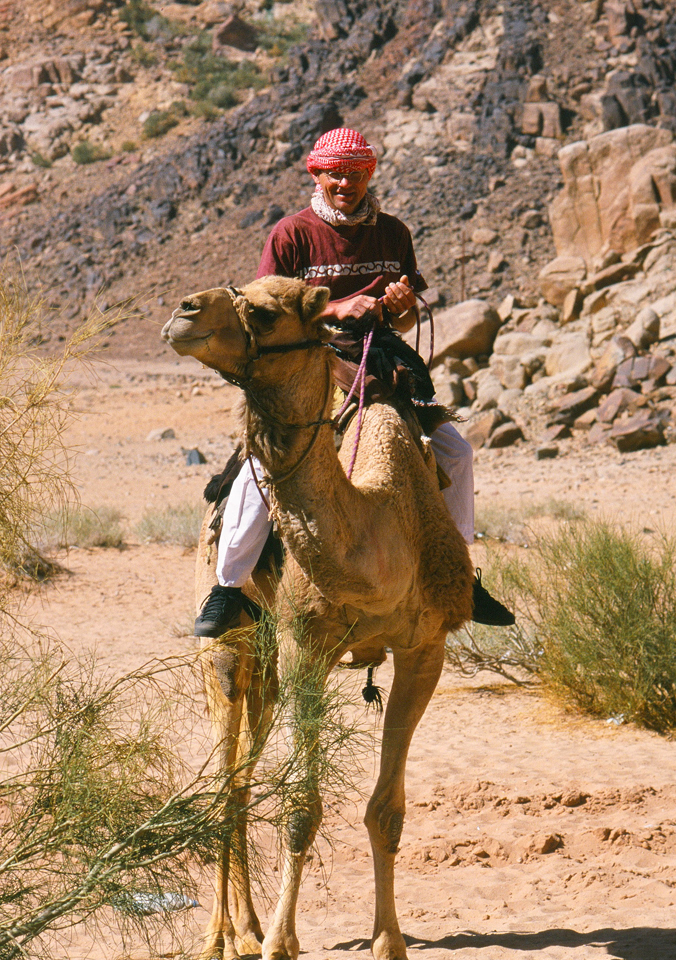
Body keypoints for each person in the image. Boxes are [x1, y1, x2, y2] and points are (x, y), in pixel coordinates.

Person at [195, 127, 514, 636]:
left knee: (456, 452)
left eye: (356, 173)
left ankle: (459, 577)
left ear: (370, 174)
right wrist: (338, 306)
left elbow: (404, 323)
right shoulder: (291, 234)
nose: (346, 182)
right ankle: (227, 588)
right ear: (317, 174)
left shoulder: (393, 233)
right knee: (262, 463)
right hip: (308, 365)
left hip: (382, 363)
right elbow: (263, 311)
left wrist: (401, 309)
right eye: (336, 173)